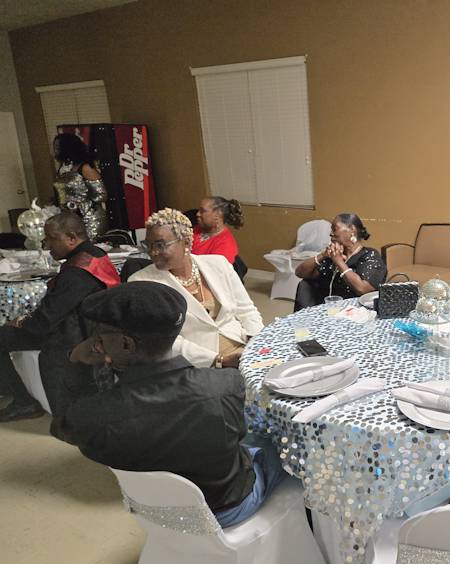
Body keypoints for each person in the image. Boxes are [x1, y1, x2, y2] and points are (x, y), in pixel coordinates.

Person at [51, 281, 285, 527]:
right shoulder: (224, 385)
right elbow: (238, 434)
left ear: (127, 344)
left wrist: (75, 360)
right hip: (229, 509)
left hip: (157, 515)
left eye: (99, 339)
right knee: (280, 438)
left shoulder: (95, 416)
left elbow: (63, 426)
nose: (97, 345)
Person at [0, 212, 120, 422]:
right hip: (91, 325)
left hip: (74, 334)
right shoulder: (96, 254)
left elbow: (43, 323)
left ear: (71, 238)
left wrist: (21, 321)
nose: (47, 245)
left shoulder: (77, 273)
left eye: (51, 238)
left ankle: (24, 401)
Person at [129, 208, 263, 368]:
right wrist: (219, 361)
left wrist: (256, 342)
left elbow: (246, 310)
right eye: (148, 245)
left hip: (241, 346)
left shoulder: (218, 264)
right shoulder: (142, 283)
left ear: (185, 242)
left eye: (160, 245)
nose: (153, 252)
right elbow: (164, 341)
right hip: (197, 364)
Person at [294, 213, 387, 311]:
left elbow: (363, 289)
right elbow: (300, 273)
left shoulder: (369, 255)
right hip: (327, 311)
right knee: (305, 284)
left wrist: (339, 262)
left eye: (335, 228)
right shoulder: (332, 256)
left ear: (352, 230)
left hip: (357, 314)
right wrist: (323, 255)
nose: (331, 233)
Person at [51, 133, 108, 239]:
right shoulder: (62, 170)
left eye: (58, 148)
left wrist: (80, 202)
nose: (55, 151)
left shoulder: (85, 167)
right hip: (70, 217)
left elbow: (101, 194)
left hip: (89, 217)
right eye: (55, 148)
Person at [192, 196, 244, 264]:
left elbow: (212, 272)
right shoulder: (198, 229)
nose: (197, 214)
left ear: (217, 216)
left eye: (202, 211)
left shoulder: (225, 245)